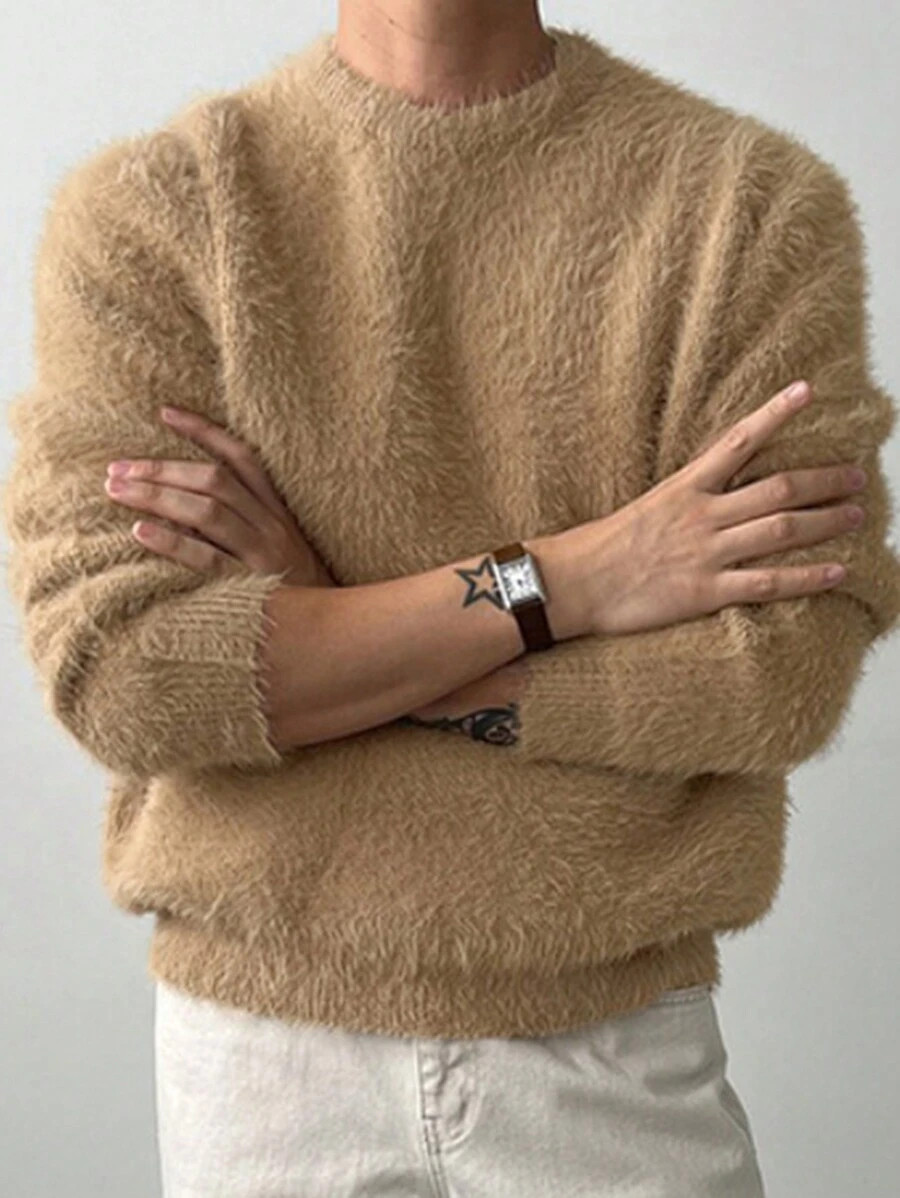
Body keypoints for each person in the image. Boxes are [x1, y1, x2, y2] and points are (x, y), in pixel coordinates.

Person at [4, 1, 898, 1194]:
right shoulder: (156, 214)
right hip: (268, 1065)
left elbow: (778, 672)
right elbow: (125, 674)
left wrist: (335, 623)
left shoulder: (751, 209)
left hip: (611, 1046)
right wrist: (586, 576)